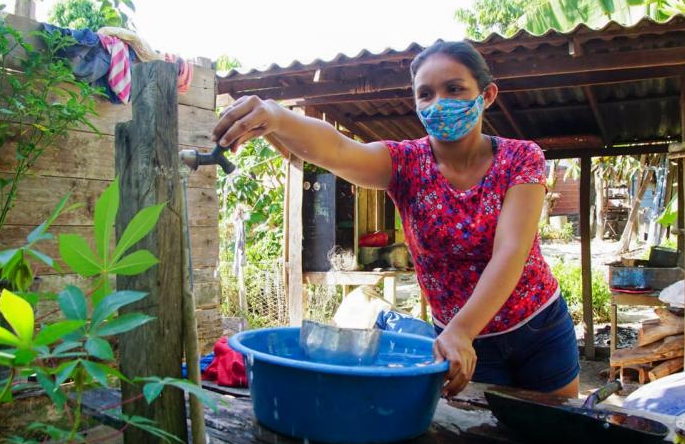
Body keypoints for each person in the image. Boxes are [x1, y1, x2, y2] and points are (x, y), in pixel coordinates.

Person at [211, 41, 580, 399]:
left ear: (486, 95)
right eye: (426, 94)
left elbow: (511, 252)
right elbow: (339, 149)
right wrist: (276, 116)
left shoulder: (521, 158)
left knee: (561, 443)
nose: (439, 103)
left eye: (454, 89)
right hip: (460, 342)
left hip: (537, 328)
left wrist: (460, 331)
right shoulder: (406, 165)